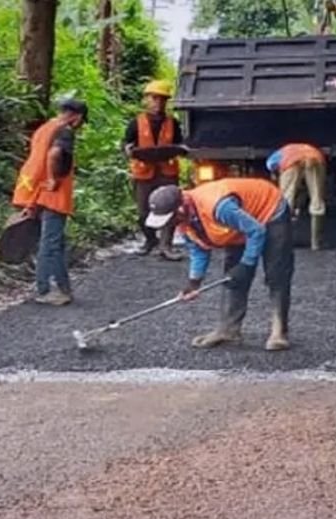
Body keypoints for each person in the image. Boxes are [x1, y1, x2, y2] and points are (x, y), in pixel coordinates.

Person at [145, 179, 293, 351]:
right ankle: (228, 330)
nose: (168, 225)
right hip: (241, 222)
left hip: (269, 209)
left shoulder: (218, 206)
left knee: (276, 274)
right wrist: (194, 283)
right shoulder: (183, 221)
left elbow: (256, 230)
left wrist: (246, 264)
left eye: (168, 219)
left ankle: (279, 332)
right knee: (233, 277)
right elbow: (199, 249)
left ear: (180, 208)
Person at [12, 98, 88, 306]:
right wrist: (54, 178)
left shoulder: (45, 128)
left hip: (35, 191)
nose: (80, 125)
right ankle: (44, 289)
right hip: (53, 194)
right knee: (50, 244)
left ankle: (64, 288)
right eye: (82, 121)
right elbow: (55, 154)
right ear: (77, 116)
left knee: (55, 243)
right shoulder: (65, 131)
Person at [123, 80, 184, 261]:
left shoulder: (172, 122)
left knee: (170, 209)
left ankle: (166, 246)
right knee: (143, 212)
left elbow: (180, 143)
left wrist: (180, 149)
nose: (158, 102)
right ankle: (150, 240)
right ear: (147, 100)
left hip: (167, 172)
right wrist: (128, 149)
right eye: (154, 98)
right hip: (144, 173)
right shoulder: (136, 123)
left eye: (162, 99)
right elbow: (127, 144)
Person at [266, 143, 327, 250]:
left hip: (291, 163)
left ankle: (284, 241)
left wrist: (276, 176)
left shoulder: (275, 157)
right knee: (317, 200)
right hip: (315, 159)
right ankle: (316, 243)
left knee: (286, 202)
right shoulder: (303, 148)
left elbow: (271, 165)